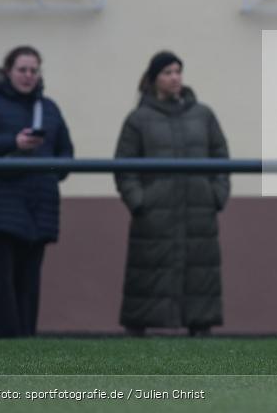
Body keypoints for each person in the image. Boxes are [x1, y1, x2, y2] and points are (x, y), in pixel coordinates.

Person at [114, 51, 230, 337]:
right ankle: (136, 332)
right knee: (147, 272)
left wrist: (217, 195)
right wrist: (139, 201)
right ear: (154, 79)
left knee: (199, 272)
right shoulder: (138, 119)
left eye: (178, 71)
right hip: (154, 214)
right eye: (167, 72)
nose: (175, 77)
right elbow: (124, 167)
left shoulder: (203, 115)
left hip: (198, 212)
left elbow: (221, 157)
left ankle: (200, 328)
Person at [0, 46, 74, 338]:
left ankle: (25, 339)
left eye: (34, 70)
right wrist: (13, 143)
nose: (28, 76)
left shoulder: (49, 108)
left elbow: (65, 154)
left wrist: (50, 171)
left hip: (38, 207)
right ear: (8, 71)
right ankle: (4, 339)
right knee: (1, 276)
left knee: (29, 278)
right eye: (22, 69)